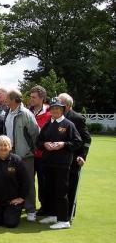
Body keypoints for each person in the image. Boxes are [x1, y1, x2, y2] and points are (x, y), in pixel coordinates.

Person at [36, 98, 82, 229]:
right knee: (49, 189)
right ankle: (52, 215)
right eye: (53, 108)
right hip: (48, 163)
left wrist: (63, 144)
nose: (55, 110)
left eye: (58, 108)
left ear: (62, 110)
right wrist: (45, 144)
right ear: (50, 110)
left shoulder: (68, 124)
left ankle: (64, 219)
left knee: (61, 191)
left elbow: (77, 142)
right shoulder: (47, 124)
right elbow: (38, 142)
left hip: (62, 164)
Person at [4, 89, 39, 222]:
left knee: (28, 181)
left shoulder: (25, 114)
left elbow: (35, 133)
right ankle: (15, 207)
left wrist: (29, 149)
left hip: (25, 155)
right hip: (10, 154)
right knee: (12, 181)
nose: (6, 101)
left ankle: (31, 210)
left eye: (7, 98)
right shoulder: (8, 112)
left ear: (13, 100)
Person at [0, 135, 30, 228]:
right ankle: (1, 213)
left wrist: (21, 198)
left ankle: (8, 213)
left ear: (10, 147)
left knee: (10, 223)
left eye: (5, 145)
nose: (3, 147)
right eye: (0, 145)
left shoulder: (17, 160)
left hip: (12, 201)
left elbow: (25, 181)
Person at [58, 93, 91, 219]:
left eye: (59, 103)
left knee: (71, 187)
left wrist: (83, 156)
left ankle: (68, 215)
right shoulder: (57, 117)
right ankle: (58, 212)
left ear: (66, 105)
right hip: (60, 159)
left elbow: (86, 139)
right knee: (61, 187)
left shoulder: (77, 118)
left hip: (74, 159)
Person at [29, 85, 51, 215]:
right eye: (30, 97)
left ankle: (44, 207)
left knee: (43, 182)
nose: (31, 99)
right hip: (29, 154)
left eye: (34, 97)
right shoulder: (26, 111)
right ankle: (28, 205)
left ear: (42, 98)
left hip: (43, 155)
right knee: (27, 181)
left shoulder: (49, 112)